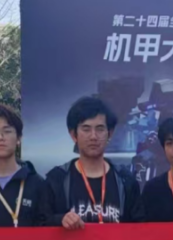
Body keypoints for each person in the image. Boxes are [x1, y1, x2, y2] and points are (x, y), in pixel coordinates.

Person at [46, 96, 141, 227]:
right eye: (86, 129)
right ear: (73, 135)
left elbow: (140, 229)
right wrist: (60, 220)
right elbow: (40, 224)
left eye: (100, 129)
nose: (93, 136)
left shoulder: (126, 180)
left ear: (110, 133)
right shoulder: (57, 179)